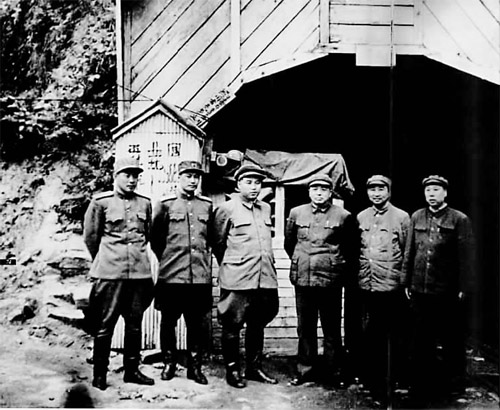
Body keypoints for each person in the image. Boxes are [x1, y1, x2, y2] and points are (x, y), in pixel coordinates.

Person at [83, 156, 155, 390]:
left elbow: (147, 235)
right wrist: (106, 260)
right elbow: (91, 237)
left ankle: (132, 371)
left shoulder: (144, 203)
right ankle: (100, 374)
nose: (132, 180)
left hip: (138, 276)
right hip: (110, 275)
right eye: (127, 175)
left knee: (135, 326)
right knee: (105, 326)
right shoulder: (101, 202)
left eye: (135, 176)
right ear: (116, 176)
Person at [402, 175, 475, 403]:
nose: (431, 194)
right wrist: (406, 281)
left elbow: (467, 256)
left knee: (451, 339)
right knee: (421, 339)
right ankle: (422, 383)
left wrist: (464, 286)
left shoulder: (459, 219)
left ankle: (454, 384)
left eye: (436, 190)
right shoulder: (417, 216)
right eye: (428, 190)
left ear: (445, 193)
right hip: (420, 289)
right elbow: (409, 251)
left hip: (446, 291)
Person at [284, 174, 357, 386]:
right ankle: (305, 370)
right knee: (305, 327)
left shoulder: (343, 216)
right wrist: (304, 261)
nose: (319, 193)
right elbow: (290, 244)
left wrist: (331, 264)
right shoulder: (296, 213)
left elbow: (349, 248)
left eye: (324, 189)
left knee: (331, 328)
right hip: (304, 279)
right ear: (309, 192)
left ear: (330, 192)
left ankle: (333, 372)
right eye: (314, 189)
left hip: (330, 280)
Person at [212, 163, 279, 388]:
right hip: (237, 278)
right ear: (238, 184)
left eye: (258, 183)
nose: (254, 187)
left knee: (257, 325)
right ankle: (232, 370)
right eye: (248, 182)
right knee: (232, 325)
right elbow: (218, 243)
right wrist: (233, 264)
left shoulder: (265, 208)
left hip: (264, 278)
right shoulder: (226, 209)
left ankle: (253, 368)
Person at [151, 160, 213, 385]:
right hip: (172, 276)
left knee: (197, 324)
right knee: (168, 322)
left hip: (198, 277)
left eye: (196, 176)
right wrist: (170, 260)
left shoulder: (206, 205)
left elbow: (210, 239)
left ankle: (195, 367)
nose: (193, 180)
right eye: (188, 176)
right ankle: (169, 363)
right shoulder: (166, 204)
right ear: (179, 177)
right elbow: (156, 239)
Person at [356, 175, 410, 403]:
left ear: (389, 191)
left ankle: (395, 379)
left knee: (394, 335)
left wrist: (404, 282)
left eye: (381, 189)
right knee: (371, 335)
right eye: (372, 189)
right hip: (367, 284)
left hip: (391, 286)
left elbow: (407, 251)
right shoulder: (361, 216)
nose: (376, 193)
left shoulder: (401, 217)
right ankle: (372, 380)